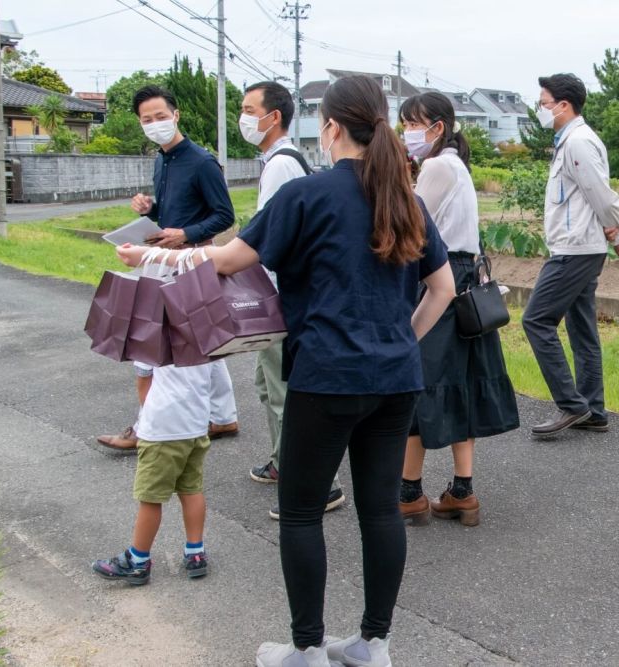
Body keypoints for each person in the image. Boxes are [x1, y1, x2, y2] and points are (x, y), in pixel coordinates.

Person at [117, 75, 455, 667]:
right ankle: (374, 644)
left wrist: (152, 254)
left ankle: (306, 650)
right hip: (396, 379)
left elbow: (227, 260)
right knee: (379, 508)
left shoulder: (308, 195)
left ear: (329, 128)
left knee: (300, 511)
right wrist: (401, 339)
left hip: (325, 376)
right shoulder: (406, 197)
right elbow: (443, 288)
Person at [397, 92, 519, 527]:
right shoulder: (457, 166)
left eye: (413, 123)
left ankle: (409, 492)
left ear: (438, 128)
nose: (407, 132)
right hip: (467, 285)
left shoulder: (437, 166)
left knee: (420, 383)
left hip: (439, 283)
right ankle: (462, 491)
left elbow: (407, 222)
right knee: (462, 385)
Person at [96, 85, 238, 452]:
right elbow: (172, 211)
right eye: (147, 119)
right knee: (204, 339)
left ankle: (149, 427)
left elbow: (224, 215)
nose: (155, 124)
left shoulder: (202, 161)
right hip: (163, 258)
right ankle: (223, 417)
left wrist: (186, 233)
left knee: (154, 342)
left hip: (192, 261)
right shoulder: (161, 159)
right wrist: (149, 210)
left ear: (176, 115)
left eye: (161, 116)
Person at [238, 80, 346, 519]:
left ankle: (318, 484)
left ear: (273, 116)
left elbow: (266, 239)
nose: (243, 117)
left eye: (249, 109)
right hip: (279, 293)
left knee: (283, 390)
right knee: (268, 385)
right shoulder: (281, 162)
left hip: (278, 297)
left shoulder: (282, 165)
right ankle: (285, 464)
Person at [522, 73, 619, 437]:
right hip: (578, 246)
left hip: (576, 249)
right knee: (582, 328)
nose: (541, 109)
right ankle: (593, 410)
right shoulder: (568, 140)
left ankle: (572, 405)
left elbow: (601, 194)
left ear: (564, 105)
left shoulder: (578, 142)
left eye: (544, 103)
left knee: (536, 320)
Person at [92, 348, 218, 585]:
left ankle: (138, 560)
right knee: (191, 489)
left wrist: (146, 423)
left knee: (150, 498)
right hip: (196, 426)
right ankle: (196, 553)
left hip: (161, 430)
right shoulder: (204, 334)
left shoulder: (151, 337)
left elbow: (144, 385)